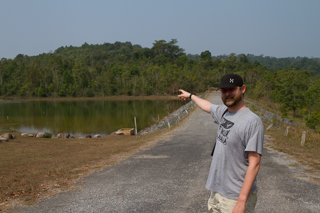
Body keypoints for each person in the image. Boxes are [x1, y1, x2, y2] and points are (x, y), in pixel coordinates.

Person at [178, 73, 264, 213]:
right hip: (217, 192)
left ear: (242, 89)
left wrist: (241, 202)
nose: (227, 94)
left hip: (234, 197)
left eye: (232, 89)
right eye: (224, 90)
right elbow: (207, 105)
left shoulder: (252, 122)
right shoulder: (224, 112)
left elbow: (255, 163)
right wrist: (191, 96)